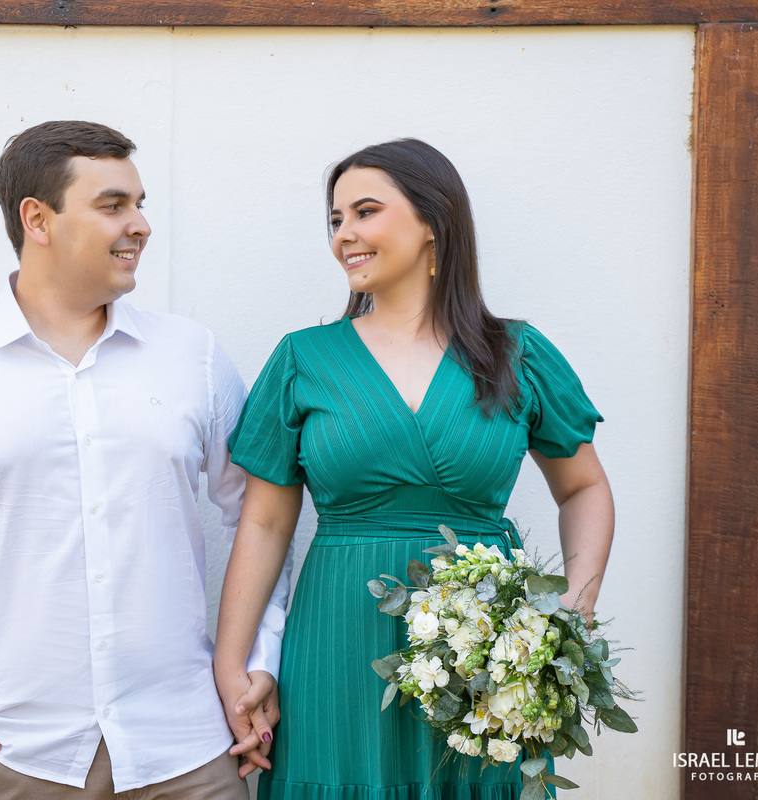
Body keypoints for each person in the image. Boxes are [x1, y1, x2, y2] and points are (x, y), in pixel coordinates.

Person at [0, 120, 289, 799]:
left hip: (187, 752)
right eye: (113, 205)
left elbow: (263, 515)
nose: (139, 225)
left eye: (141, 204)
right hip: (16, 756)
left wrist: (260, 662)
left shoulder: (192, 357)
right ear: (37, 219)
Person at [213, 138, 614, 799]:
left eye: (365, 211)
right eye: (336, 219)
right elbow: (262, 525)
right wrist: (234, 664)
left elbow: (585, 487)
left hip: (486, 653)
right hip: (337, 640)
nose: (345, 234)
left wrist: (573, 605)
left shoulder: (519, 354)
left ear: (434, 221)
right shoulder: (302, 360)